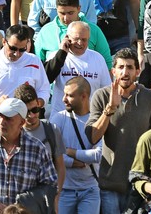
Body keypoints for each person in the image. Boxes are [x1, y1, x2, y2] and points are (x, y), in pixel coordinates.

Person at [85, 48, 151, 213]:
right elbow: (92, 137)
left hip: (141, 182)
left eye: (129, 67)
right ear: (113, 71)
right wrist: (110, 108)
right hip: (110, 182)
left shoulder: (149, 97)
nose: (124, 72)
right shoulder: (101, 95)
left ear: (137, 71)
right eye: (120, 67)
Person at [0, 98, 58, 212]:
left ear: (22, 122)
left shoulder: (37, 149)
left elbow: (51, 185)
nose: (2, 121)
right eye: (0, 115)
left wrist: (25, 203)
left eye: (8, 118)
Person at [49, 76, 102, 214]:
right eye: (64, 94)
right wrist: (73, 162)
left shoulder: (98, 121)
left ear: (84, 96)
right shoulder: (59, 119)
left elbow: (98, 155)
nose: (63, 99)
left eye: (69, 95)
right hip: (64, 190)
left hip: (90, 189)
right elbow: (51, 155)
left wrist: (71, 152)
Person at [43, 20, 111, 114]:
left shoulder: (98, 58)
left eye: (84, 40)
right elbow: (45, 79)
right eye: (76, 39)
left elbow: (106, 90)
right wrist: (62, 53)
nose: (80, 43)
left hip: (90, 117)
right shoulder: (57, 56)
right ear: (67, 37)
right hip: (61, 116)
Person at [0, 25, 50, 106]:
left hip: (25, 117)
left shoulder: (34, 61)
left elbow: (44, 90)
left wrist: (34, 105)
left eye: (22, 50)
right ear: (3, 42)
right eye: (13, 48)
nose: (16, 54)